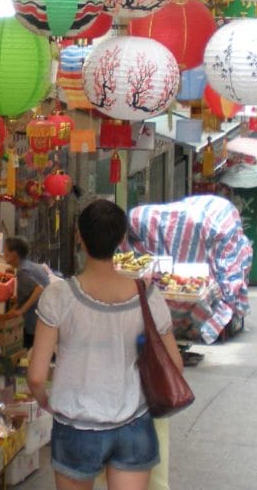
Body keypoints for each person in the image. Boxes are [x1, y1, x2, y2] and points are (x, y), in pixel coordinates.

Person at [27, 199, 182, 490]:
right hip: (133, 423)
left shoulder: (58, 296)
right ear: (122, 240)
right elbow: (175, 364)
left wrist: (44, 401)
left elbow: (36, 376)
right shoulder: (147, 295)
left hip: (75, 425)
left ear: (79, 238)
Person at [3, 236, 50, 349]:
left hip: (35, 319)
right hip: (45, 315)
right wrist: (16, 305)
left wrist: (20, 310)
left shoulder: (22, 271)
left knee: (30, 350)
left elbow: (39, 288)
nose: (3, 255)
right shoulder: (30, 266)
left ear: (14, 255)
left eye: (5, 252)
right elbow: (28, 294)